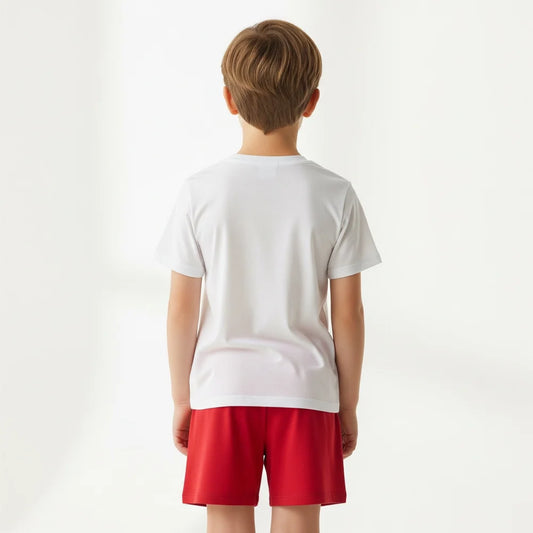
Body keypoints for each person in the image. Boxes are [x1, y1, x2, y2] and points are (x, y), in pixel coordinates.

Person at [153, 18, 382, 533]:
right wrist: (347, 405)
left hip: (223, 388)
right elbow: (348, 314)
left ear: (229, 100)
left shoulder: (200, 192)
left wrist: (182, 399)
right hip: (306, 390)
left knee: (227, 522)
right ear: (312, 102)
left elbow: (181, 308)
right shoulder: (335, 194)